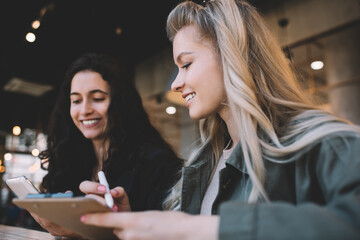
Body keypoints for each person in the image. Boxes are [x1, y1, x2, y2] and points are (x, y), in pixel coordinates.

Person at [79, 0, 360, 239]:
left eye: (186, 64)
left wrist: (197, 229)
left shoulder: (324, 143)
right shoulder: (203, 162)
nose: (176, 83)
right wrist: (128, 222)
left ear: (231, 55)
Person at [30, 53, 183, 237]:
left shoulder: (157, 164)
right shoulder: (68, 162)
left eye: (98, 98)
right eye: (76, 101)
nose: (85, 110)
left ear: (120, 103)